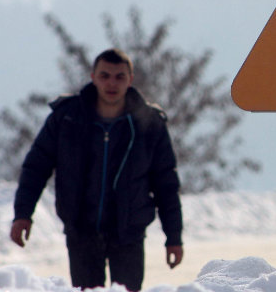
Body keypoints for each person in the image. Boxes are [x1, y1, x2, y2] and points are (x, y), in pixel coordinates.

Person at [10, 48, 184, 291]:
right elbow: (36, 168)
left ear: (130, 80)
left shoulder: (149, 124)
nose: (111, 83)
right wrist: (22, 214)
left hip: (129, 234)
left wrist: (173, 237)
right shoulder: (67, 118)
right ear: (93, 77)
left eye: (119, 77)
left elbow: (166, 183)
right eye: (105, 76)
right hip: (81, 231)